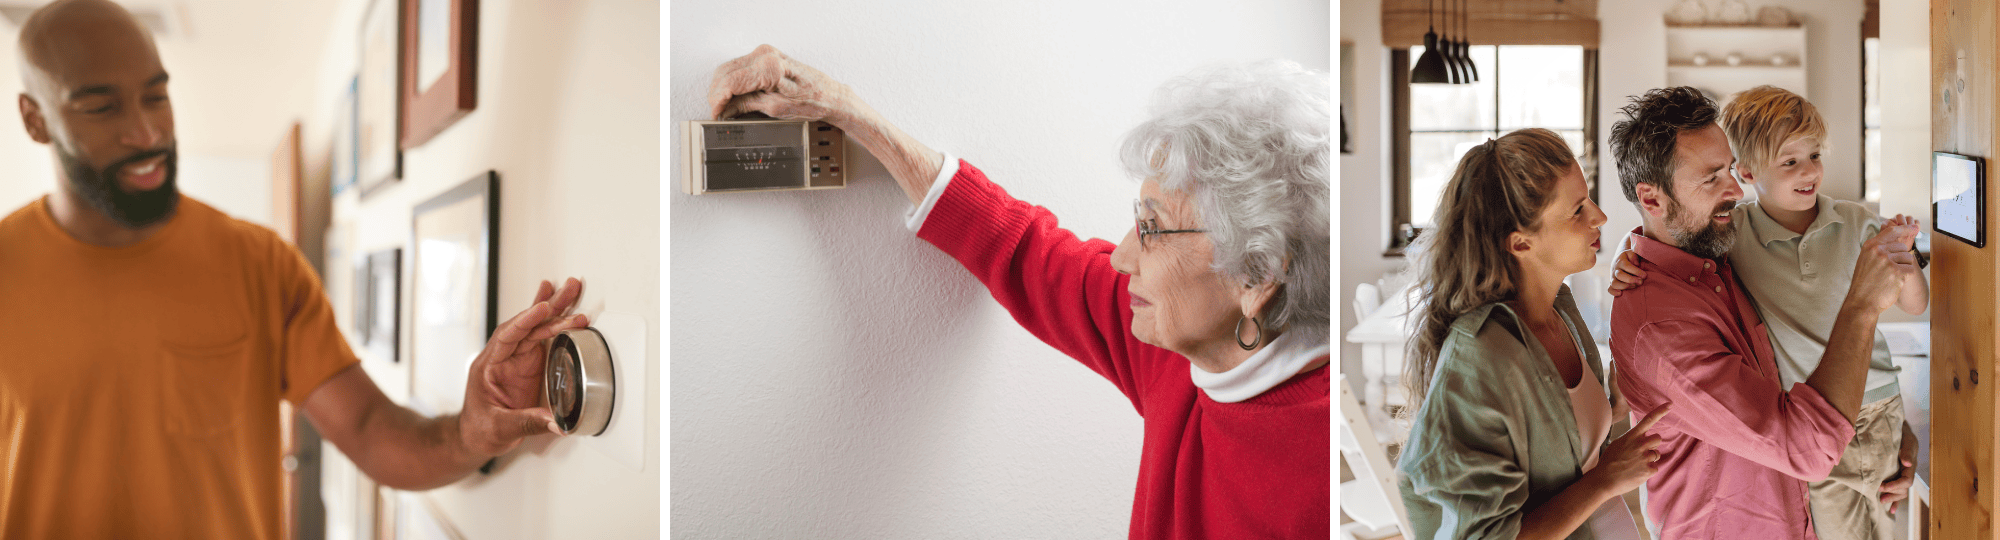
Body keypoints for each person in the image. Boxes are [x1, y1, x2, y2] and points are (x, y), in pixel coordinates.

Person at [0, 1, 585, 537]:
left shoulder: (260, 263)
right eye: (101, 106)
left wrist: (468, 431)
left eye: (156, 95)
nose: (148, 131)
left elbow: (369, 429)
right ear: (35, 119)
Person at [706, 45, 1332, 538]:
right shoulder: (1178, 342)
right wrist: (846, 110)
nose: (1121, 254)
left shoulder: (1320, 462)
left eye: (1153, 229)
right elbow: (1022, 247)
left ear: (1256, 276)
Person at [1607, 85, 1926, 539]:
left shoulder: (1712, 256)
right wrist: (1861, 306)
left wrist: (1882, 417)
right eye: (1713, 176)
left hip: (1802, 501)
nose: (1735, 189)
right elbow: (1809, 447)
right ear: (1652, 199)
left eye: (1729, 172)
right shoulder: (1663, 322)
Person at [1396, 128, 1666, 540]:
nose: (1599, 217)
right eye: (1577, 210)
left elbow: (1557, 451)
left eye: (1588, 198)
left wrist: (1615, 408)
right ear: (1521, 243)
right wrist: (1606, 480)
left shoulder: (1561, 309)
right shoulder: (1478, 358)